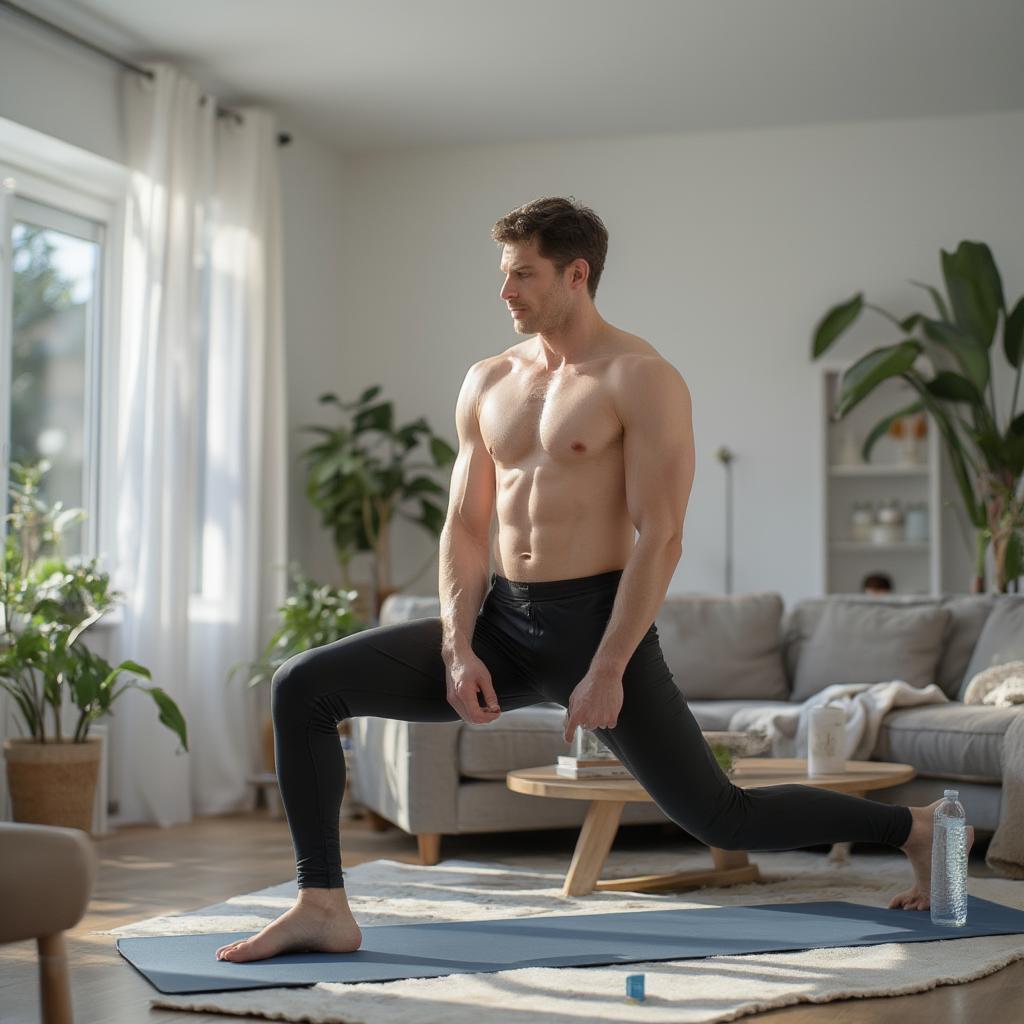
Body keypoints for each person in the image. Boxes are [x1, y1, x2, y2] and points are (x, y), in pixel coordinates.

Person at [215, 196, 971, 964]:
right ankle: (321, 906)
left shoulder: (641, 378)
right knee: (302, 685)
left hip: (596, 627)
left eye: (522, 275)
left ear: (576, 275)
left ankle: (909, 828)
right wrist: (454, 645)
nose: (505, 292)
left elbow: (662, 535)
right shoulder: (487, 380)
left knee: (721, 819)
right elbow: (465, 528)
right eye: (504, 275)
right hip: (500, 624)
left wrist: (608, 666)